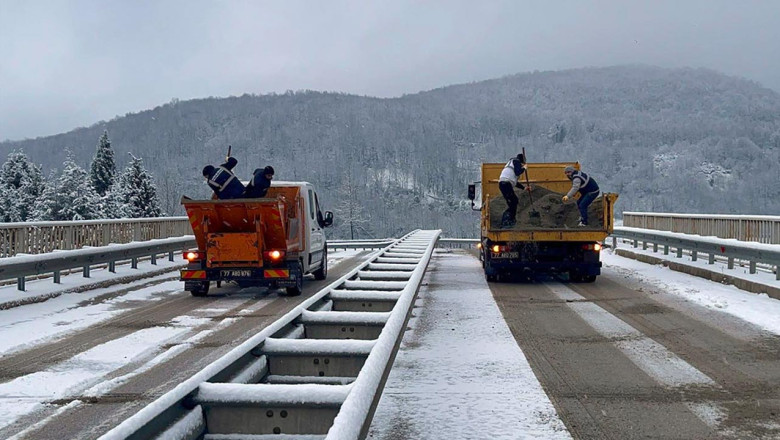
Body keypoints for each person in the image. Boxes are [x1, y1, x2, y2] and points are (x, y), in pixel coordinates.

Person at [498, 153, 531, 227]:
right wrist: (524, 168)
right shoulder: (516, 161)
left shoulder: (510, 165)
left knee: (512, 202)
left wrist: (524, 188)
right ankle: (507, 220)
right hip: (506, 184)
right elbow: (518, 172)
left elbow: (514, 182)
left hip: (504, 184)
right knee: (514, 202)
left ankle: (509, 220)